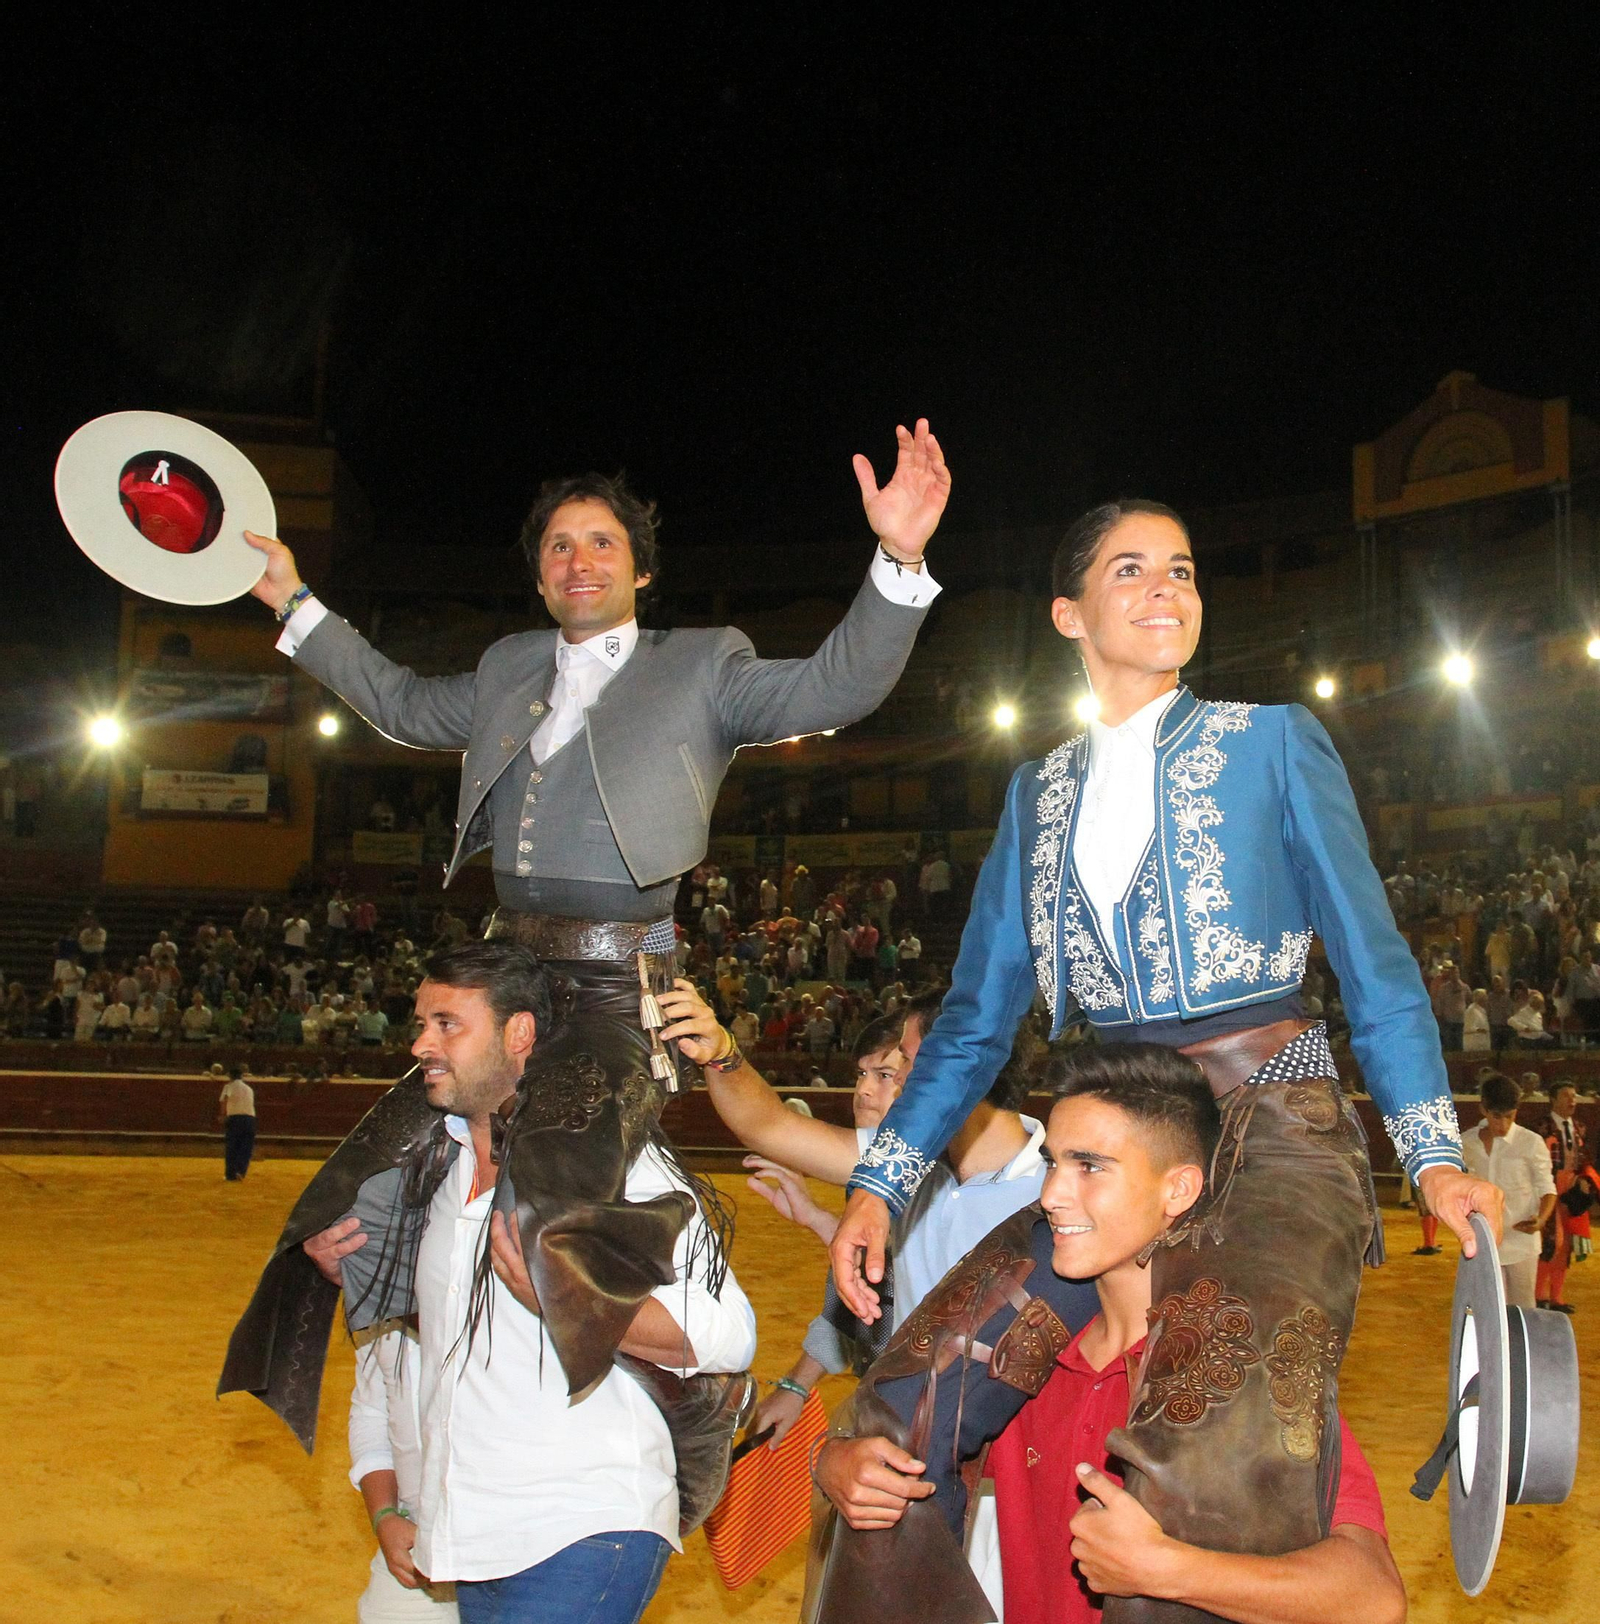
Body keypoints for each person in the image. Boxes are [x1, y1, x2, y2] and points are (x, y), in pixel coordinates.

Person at [829, 498, 1502, 1616]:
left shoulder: (1274, 740)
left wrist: (1431, 1157)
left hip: (1278, 1133)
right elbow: (974, 1022)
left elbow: (1375, 964)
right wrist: (879, 1185)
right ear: (1068, 614)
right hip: (1116, 1144)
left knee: (1204, 1459)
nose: (1165, 589)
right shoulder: (1034, 794)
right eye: (1131, 569)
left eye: (1181, 570)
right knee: (891, 1424)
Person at [814, 1046, 1406, 1624]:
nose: (1051, 1195)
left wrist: (1168, 1570)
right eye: (1052, 1163)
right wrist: (835, 1461)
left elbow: (1374, 1599)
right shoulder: (1019, 1361)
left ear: (1179, 1189)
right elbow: (903, 1457)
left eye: (1090, 1166)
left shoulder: (1243, 1374)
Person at [283, 943, 756, 1624]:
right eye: (421, 1024)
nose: (421, 1045)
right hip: (473, 1533)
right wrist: (359, 1263)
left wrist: (567, 1298)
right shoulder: (431, 1175)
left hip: (583, 1522)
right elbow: (445, 1336)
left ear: (520, 1033)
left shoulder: (615, 1160)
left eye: (448, 1024)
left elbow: (727, 1335)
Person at [1461, 1071, 1556, 1309]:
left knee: (1523, 1310)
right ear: (1483, 1109)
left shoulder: (1531, 1143)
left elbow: (1547, 1188)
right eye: (1496, 1116)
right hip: (1482, 1241)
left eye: (1509, 1116)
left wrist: (1541, 1220)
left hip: (1521, 1241)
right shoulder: (1466, 1143)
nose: (1503, 1125)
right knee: (1488, 1310)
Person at [1536, 1081, 1595, 1313]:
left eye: (1574, 1096)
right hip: (1547, 1188)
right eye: (1566, 1096)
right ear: (1553, 1099)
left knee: (1565, 1246)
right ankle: (1538, 1295)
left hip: (1569, 1189)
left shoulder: (1579, 1127)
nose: (1572, 1100)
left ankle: (1556, 1298)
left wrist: (1584, 1179)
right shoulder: (1541, 1127)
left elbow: (1585, 1159)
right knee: (1551, 1242)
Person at [218, 1064, 257, 1181]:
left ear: (230, 1076)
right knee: (246, 1147)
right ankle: (241, 1171)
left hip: (235, 1118)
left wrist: (222, 1115)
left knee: (232, 1146)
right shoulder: (249, 1088)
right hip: (250, 1119)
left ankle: (231, 1174)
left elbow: (224, 1101)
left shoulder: (228, 1086)